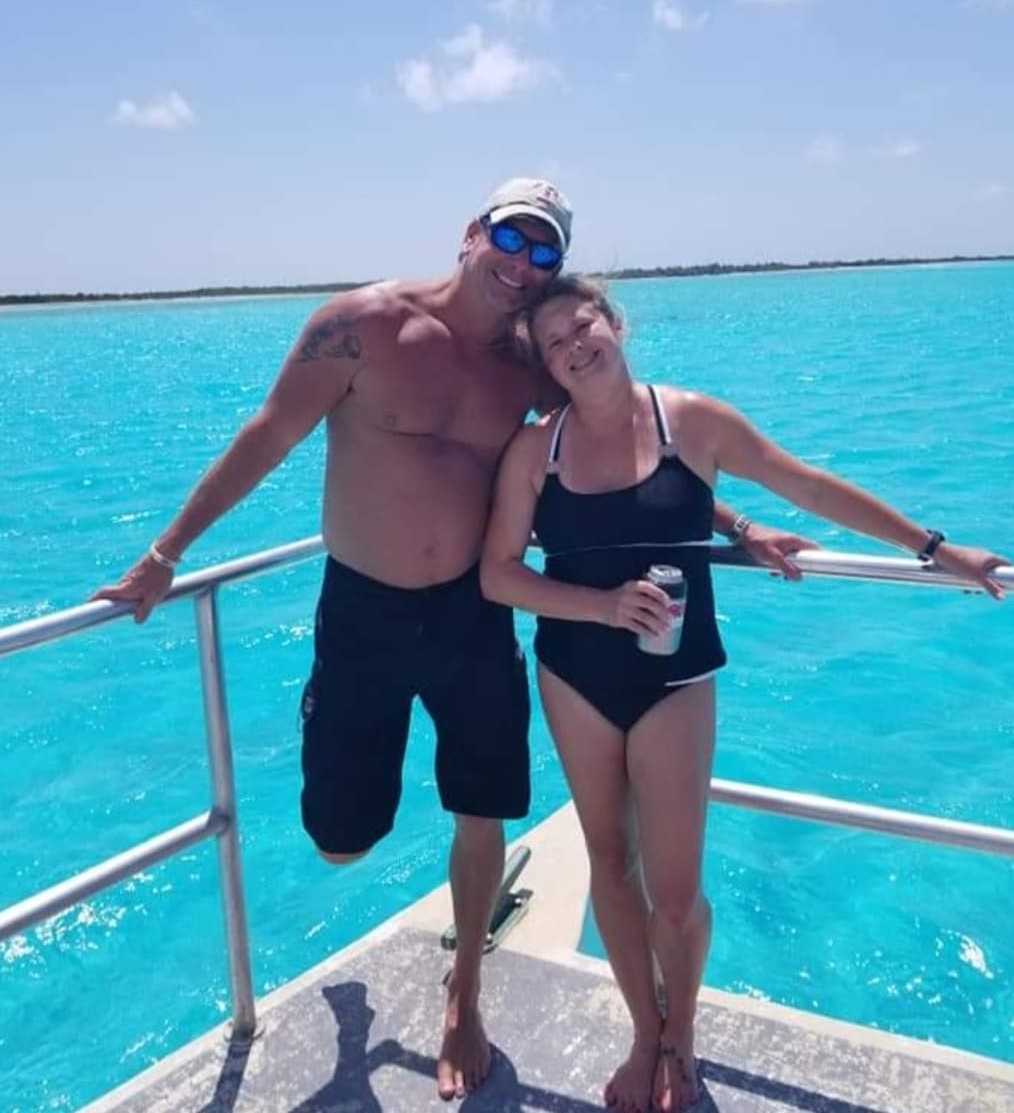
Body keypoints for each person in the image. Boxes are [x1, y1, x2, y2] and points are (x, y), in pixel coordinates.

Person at [92, 181, 814, 1101]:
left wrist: (738, 526)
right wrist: (166, 555)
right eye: (512, 238)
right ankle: (380, 972)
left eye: (545, 252)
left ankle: (464, 993)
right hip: (363, 612)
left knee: (482, 810)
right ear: (473, 232)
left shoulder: (527, 365)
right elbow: (267, 436)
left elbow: (621, 445)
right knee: (340, 841)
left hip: (474, 611)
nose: (524, 263)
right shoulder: (360, 327)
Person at [480, 275, 1008, 1113]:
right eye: (555, 344)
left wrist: (935, 549)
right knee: (610, 863)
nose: (576, 347)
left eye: (583, 326)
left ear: (613, 322)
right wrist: (604, 606)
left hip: (676, 676)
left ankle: (681, 1037)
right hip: (575, 675)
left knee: (675, 891)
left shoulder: (692, 421)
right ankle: (642, 1034)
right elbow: (500, 575)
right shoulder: (535, 451)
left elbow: (809, 486)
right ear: (545, 365)